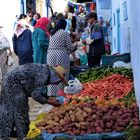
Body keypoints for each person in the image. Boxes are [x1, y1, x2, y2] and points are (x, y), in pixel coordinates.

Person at [0, 64, 67, 140]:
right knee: (20, 110)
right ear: (56, 76)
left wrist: (47, 98)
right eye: (58, 81)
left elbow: (35, 88)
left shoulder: (45, 70)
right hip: (14, 83)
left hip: (9, 78)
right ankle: (23, 136)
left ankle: (8, 133)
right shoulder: (44, 75)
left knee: (7, 108)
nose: (57, 83)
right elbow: (35, 95)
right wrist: (50, 102)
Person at [47, 18, 76, 96]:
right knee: (61, 73)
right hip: (60, 55)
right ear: (64, 25)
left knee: (53, 74)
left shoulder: (52, 32)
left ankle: (52, 94)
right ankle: (61, 93)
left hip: (50, 55)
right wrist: (75, 46)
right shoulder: (64, 33)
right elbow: (70, 47)